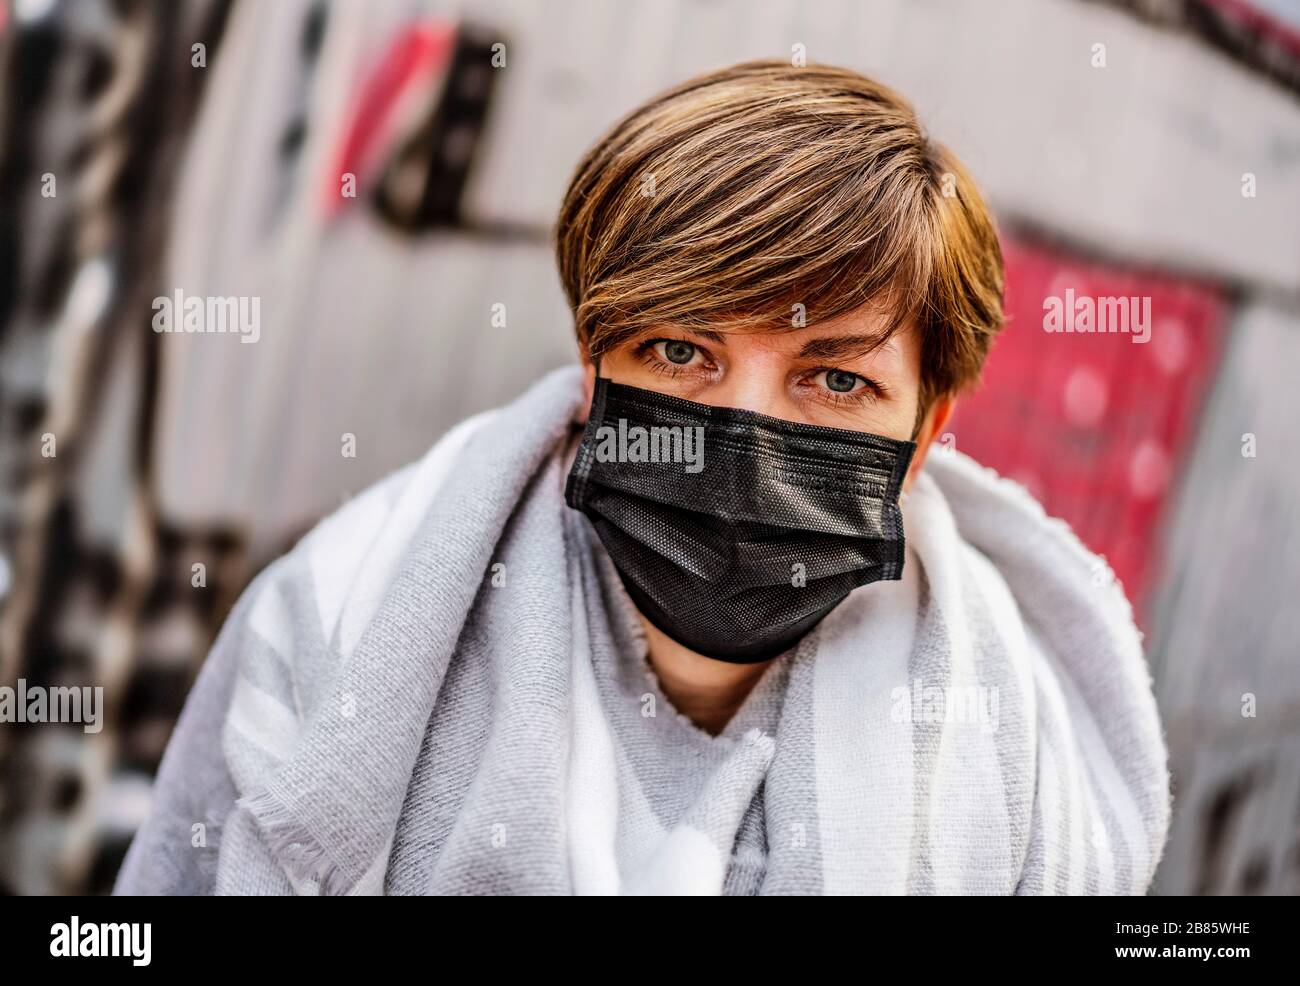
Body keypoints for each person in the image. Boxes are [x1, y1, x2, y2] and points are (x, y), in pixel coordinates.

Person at [114, 60, 1171, 896]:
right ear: (590, 366)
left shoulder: (1022, 762)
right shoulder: (332, 626)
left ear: (928, 430)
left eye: (834, 378)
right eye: (679, 352)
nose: (745, 425)